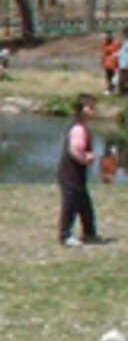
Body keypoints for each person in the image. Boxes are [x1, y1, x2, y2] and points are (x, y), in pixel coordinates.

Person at [59, 95, 99, 248]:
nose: (92, 109)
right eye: (89, 106)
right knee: (70, 204)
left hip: (77, 173)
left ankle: (89, 232)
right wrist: (87, 158)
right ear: (81, 109)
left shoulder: (82, 126)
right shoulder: (78, 128)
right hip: (70, 173)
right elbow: (75, 150)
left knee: (84, 203)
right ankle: (65, 235)